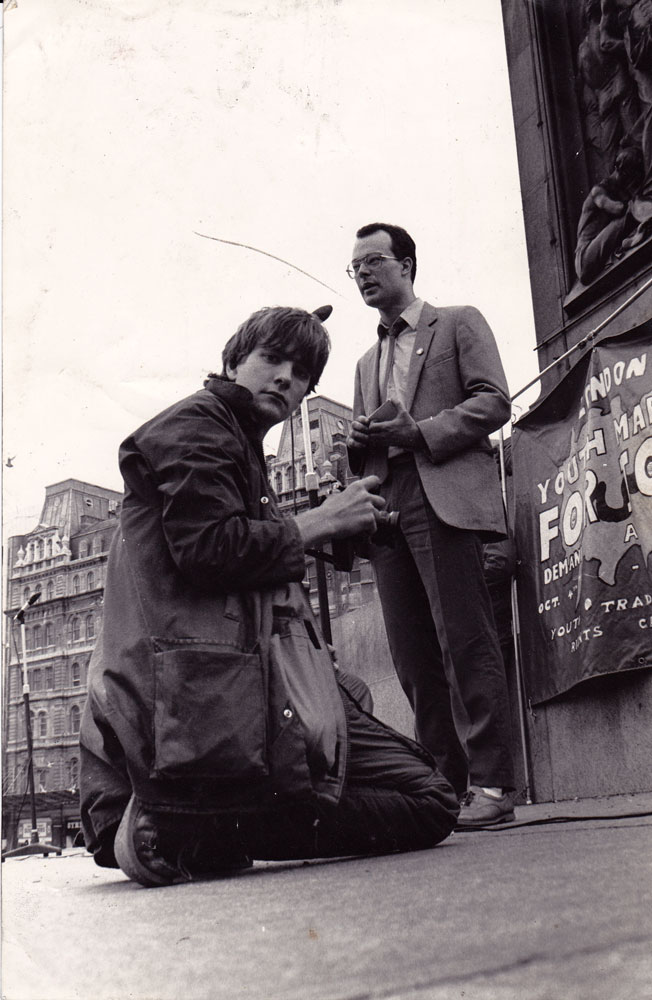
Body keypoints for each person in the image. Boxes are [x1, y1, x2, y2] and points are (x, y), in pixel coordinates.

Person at [79, 304, 459, 886]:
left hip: (221, 685)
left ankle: (203, 826)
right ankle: (183, 828)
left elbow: (240, 556)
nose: (286, 378)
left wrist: (342, 529)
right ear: (234, 360)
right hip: (194, 697)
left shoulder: (236, 436)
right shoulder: (197, 425)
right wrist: (319, 522)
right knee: (429, 801)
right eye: (272, 359)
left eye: (302, 372)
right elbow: (207, 548)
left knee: (372, 723)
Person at [346, 223, 515, 827]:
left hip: (440, 495)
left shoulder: (459, 322)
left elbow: (494, 400)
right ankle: (445, 789)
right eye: (355, 267)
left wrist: (419, 432)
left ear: (407, 264)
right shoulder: (365, 362)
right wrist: (358, 442)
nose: (363, 274)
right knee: (412, 658)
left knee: (465, 641)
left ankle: (493, 786)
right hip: (386, 505)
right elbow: (366, 446)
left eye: (373, 261)